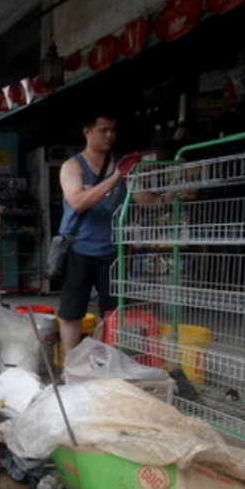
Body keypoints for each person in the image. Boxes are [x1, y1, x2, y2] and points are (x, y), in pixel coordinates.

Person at [57, 107, 163, 354]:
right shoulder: (72, 166)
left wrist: (169, 198)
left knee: (113, 311)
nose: (109, 136)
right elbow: (78, 201)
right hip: (77, 248)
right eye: (103, 130)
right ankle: (71, 364)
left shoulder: (122, 165)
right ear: (87, 132)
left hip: (111, 250)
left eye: (113, 130)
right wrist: (116, 177)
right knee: (72, 312)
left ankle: (108, 358)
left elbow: (143, 198)